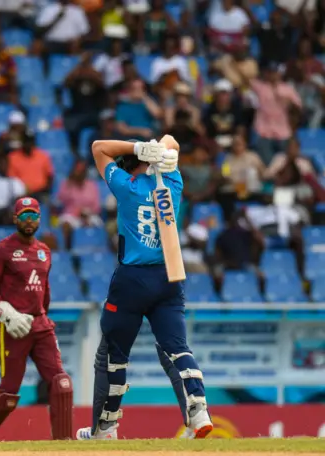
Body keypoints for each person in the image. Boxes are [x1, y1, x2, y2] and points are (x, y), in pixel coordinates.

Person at [75, 135, 213, 441]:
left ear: (138, 165)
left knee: (114, 353)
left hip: (132, 280)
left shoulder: (127, 186)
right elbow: (173, 141)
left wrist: (135, 148)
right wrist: (165, 150)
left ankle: (106, 428)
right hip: (169, 278)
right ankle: (198, 409)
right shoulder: (174, 184)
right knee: (177, 347)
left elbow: (98, 148)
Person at [0, 197, 73, 442]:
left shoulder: (45, 251)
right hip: (13, 327)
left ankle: (65, 443)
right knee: (9, 393)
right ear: (15, 219)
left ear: (39, 218)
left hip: (40, 324)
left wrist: (44, 317)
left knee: (61, 383)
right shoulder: (2, 250)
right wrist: (6, 312)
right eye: (23, 215)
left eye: (33, 215)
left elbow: (44, 290)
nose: (29, 220)